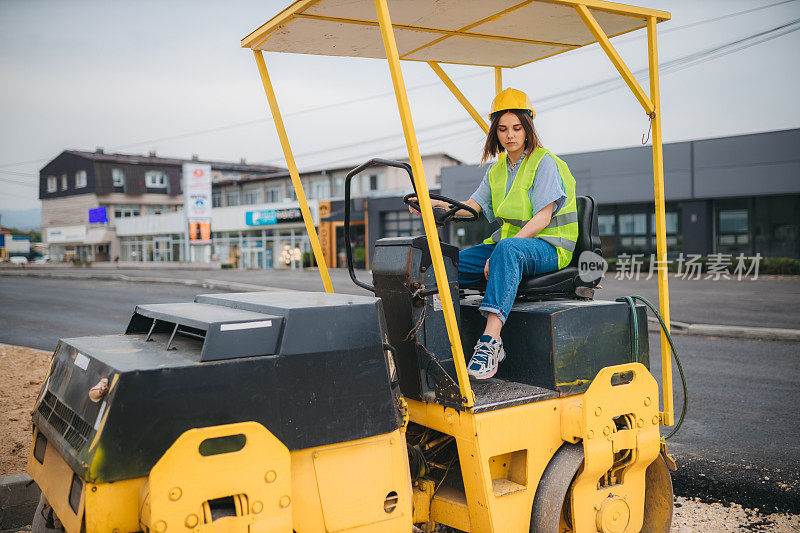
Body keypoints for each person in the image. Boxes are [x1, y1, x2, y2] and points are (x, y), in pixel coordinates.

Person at [410, 88, 578, 379]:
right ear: (495, 132)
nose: (509, 135)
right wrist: (434, 204)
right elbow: (472, 208)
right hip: (510, 247)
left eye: (516, 128)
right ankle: (435, 342)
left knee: (506, 250)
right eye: (502, 129)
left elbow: (543, 217)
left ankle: (490, 342)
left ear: (527, 129)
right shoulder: (497, 170)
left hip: (550, 247)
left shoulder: (544, 162)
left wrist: (505, 249)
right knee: (450, 265)